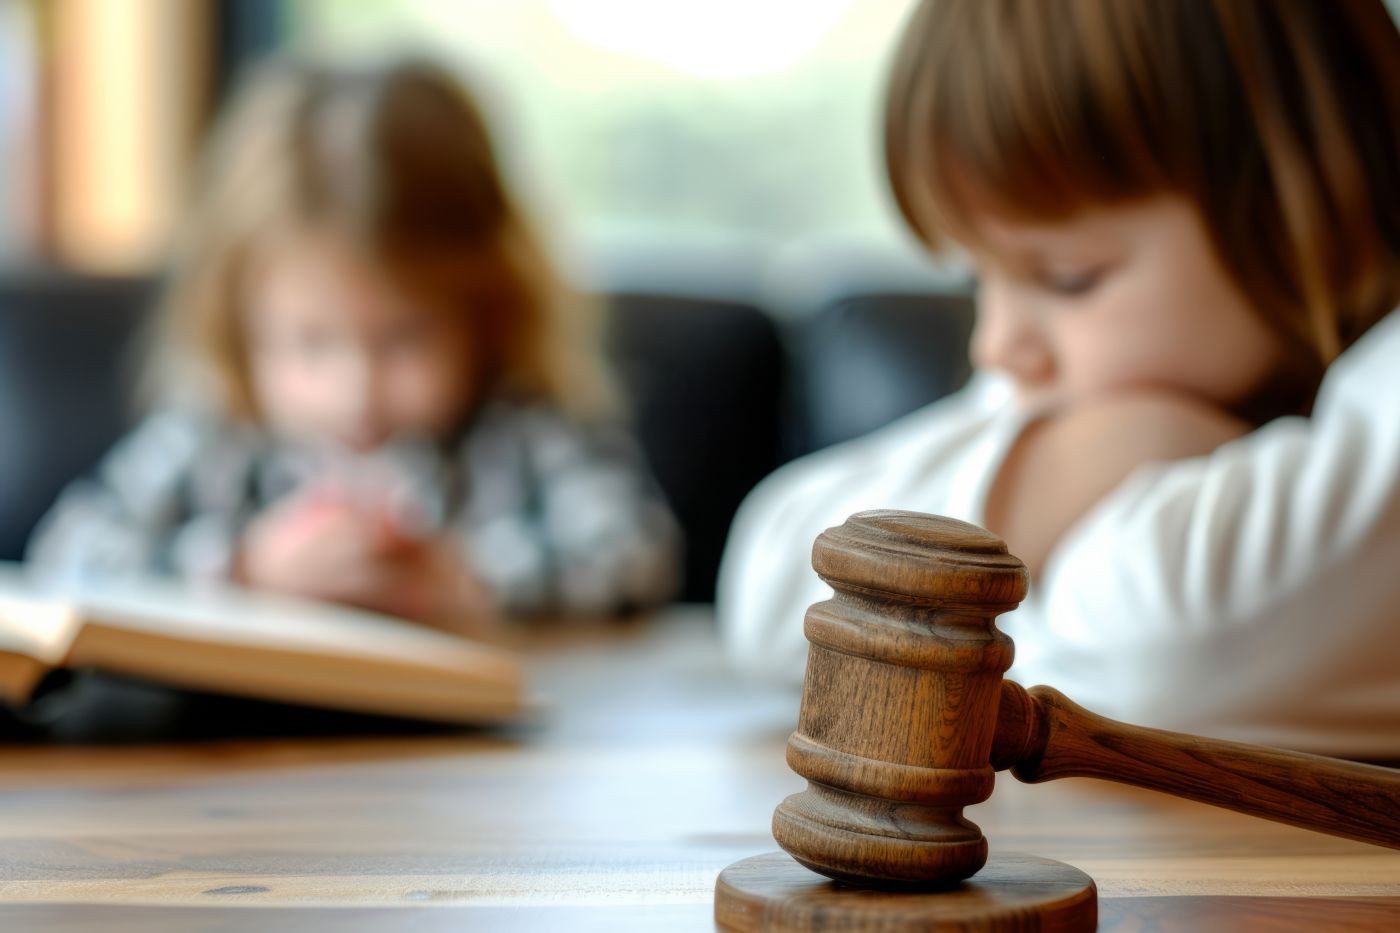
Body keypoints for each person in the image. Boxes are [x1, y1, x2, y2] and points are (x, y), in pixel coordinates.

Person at [718, 0, 1400, 757]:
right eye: (976, 278)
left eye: (1067, 276)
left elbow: (1162, 657)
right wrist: (1095, 459)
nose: (997, 343)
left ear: (1313, 201)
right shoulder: (1092, 389)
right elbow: (769, 576)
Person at [28, 59, 679, 634]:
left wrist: (471, 578)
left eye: (404, 338)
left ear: (489, 310)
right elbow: (68, 553)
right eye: (311, 343)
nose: (357, 390)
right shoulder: (216, 434)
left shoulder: (523, 428)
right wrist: (245, 567)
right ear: (236, 322)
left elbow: (639, 555)